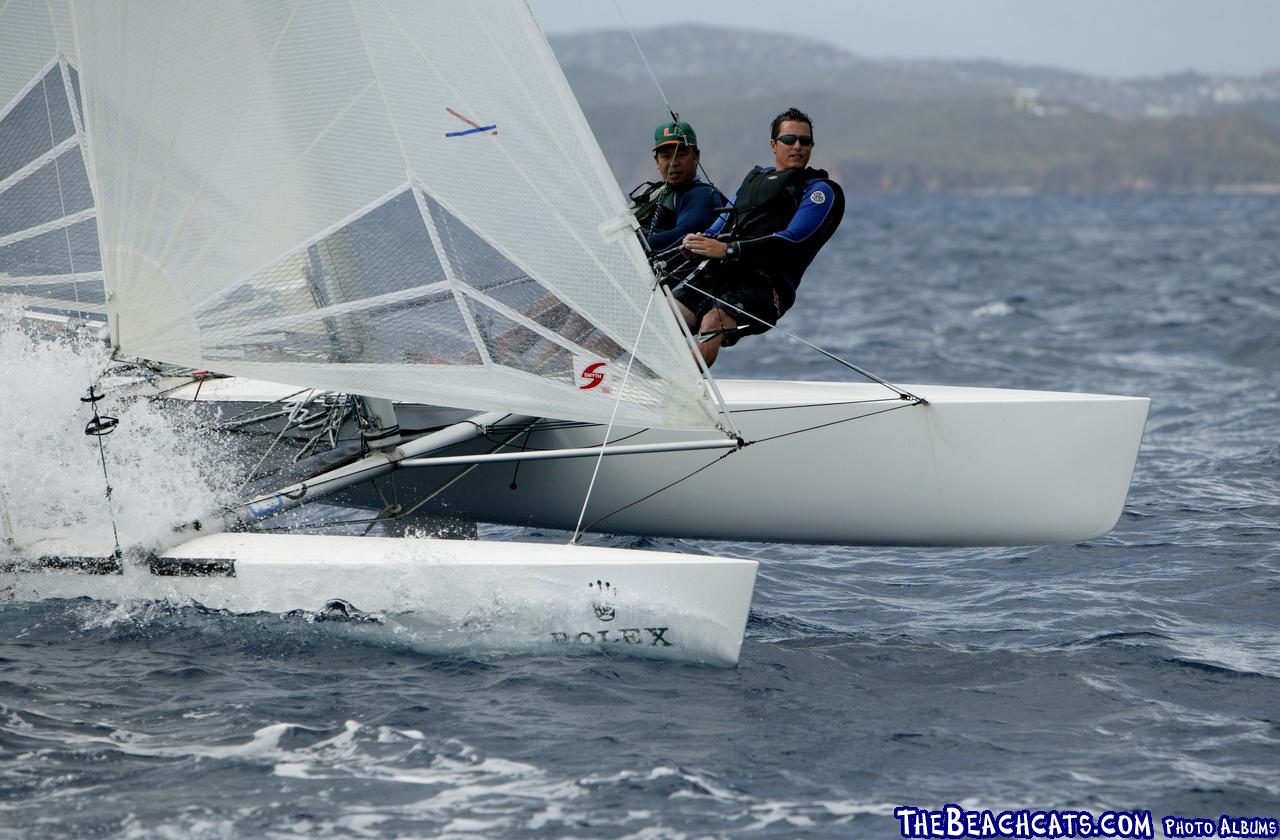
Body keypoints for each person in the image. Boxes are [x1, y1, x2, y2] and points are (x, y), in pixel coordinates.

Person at [673, 107, 845, 366]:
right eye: (789, 139)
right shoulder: (754, 179)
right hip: (720, 274)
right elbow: (721, 225)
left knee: (713, 321)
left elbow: (793, 239)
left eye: (805, 141)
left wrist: (728, 249)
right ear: (774, 145)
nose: (797, 146)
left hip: (764, 287)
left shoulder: (819, 191)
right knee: (664, 315)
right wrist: (698, 243)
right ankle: (607, 379)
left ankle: (678, 391)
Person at [629, 120, 725, 253]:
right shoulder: (653, 193)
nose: (673, 162)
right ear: (657, 161)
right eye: (666, 156)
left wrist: (628, 239)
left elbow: (682, 237)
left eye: (680, 154)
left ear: (696, 157)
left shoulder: (702, 195)